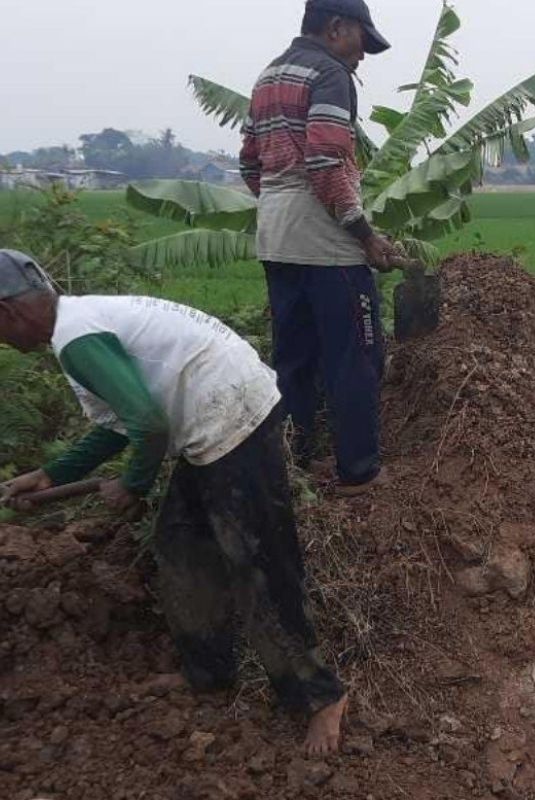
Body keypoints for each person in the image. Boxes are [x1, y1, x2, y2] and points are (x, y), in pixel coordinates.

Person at [0, 250, 348, 756]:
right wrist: (51, 473)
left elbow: (148, 425)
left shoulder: (77, 339)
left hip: (232, 420)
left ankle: (321, 696)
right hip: (214, 417)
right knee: (182, 546)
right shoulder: (78, 325)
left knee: (258, 560)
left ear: (7, 311)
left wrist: (133, 486)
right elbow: (119, 426)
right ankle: (208, 673)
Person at [240, 0, 397, 496]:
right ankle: (360, 472)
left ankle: (294, 465)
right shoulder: (330, 74)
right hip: (327, 243)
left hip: (276, 236)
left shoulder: (268, 76)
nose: (362, 57)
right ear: (336, 28)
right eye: (360, 42)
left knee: (294, 358)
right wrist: (366, 236)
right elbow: (327, 162)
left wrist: (284, 210)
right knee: (357, 355)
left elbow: (249, 163)